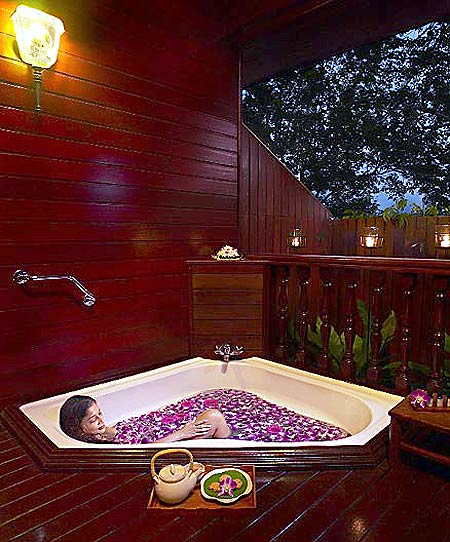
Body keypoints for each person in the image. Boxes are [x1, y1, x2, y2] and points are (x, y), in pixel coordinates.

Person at [59, 395, 232, 444]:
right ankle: (230, 440)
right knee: (214, 416)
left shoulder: (99, 434)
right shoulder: (101, 447)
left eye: (100, 413)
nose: (100, 421)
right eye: (92, 420)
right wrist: (182, 433)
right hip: (168, 444)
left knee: (212, 415)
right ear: (78, 428)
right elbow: (145, 450)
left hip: (162, 434)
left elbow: (117, 431)